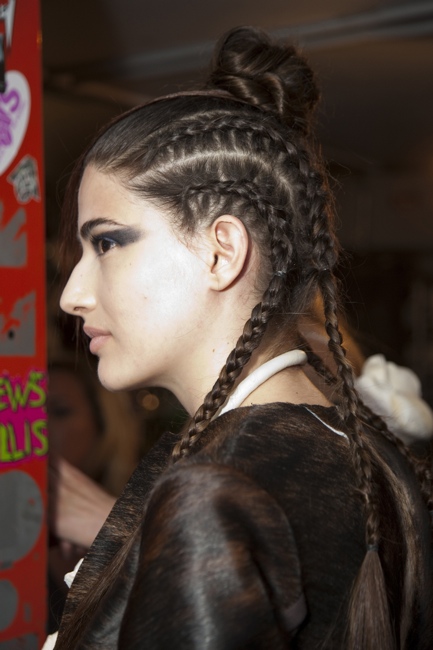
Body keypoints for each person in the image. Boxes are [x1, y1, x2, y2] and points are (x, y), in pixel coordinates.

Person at [50, 27, 432, 649]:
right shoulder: (365, 452)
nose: (72, 294)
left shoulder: (215, 494)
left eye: (108, 242)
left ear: (221, 251)